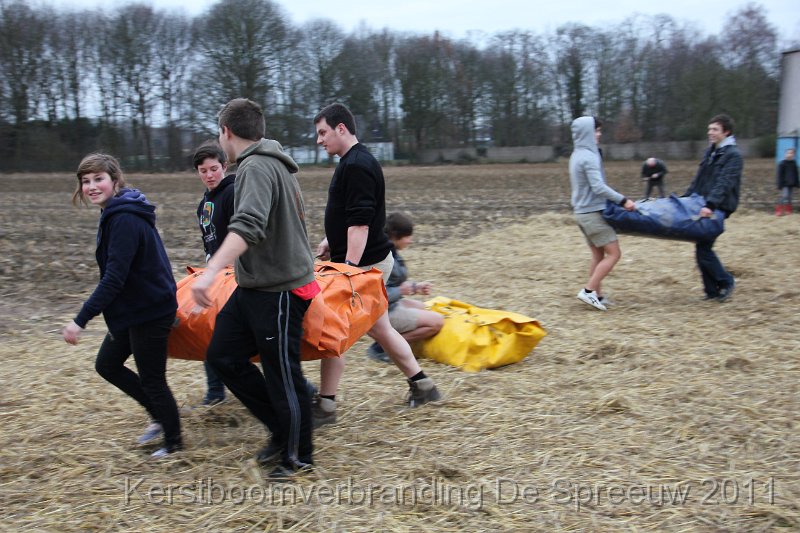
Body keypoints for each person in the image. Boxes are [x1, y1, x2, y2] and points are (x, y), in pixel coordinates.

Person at [191, 98, 320, 479]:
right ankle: (282, 429)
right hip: (254, 286)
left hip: (279, 289)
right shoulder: (264, 164)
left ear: (227, 132)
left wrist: (212, 269)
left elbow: (249, 225)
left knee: (283, 375)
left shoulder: (258, 168)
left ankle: (298, 457)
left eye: (219, 133)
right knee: (223, 356)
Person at [313, 102, 441, 426]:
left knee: (334, 330)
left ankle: (326, 406)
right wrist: (332, 242)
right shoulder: (352, 161)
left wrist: (349, 272)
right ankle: (422, 385)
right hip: (363, 262)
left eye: (322, 132)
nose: (319, 140)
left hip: (363, 266)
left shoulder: (356, 164)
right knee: (379, 329)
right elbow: (355, 217)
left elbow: (360, 224)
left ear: (342, 128)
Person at [62, 153, 182, 459]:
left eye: (98, 179)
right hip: (133, 308)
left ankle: (174, 442)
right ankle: (158, 416)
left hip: (150, 310)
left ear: (115, 181)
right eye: (85, 181)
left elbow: (114, 277)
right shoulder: (116, 211)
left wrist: (80, 320)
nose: (91, 186)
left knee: (153, 379)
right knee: (107, 364)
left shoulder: (124, 218)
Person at [569, 116, 636, 311]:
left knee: (598, 255)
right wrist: (623, 201)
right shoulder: (589, 157)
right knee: (614, 254)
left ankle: (597, 295)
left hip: (581, 213)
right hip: (592, 213)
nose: (599, 135)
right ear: (587, 133)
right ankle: (589, 291)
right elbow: (598, 187)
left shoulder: (577, 154)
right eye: (596, 131)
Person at [366, 212, 444, 363]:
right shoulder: (382, 258)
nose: (410, 241)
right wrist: (401, 291)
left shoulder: (390, 251)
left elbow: (392, 284)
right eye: (408, 236)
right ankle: (383, 348)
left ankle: (387, 341)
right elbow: (374, 296)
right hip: (378, 314)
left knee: (424, 307)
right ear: (395, 236)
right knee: (437, 322)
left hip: (389, 306)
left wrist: (416, 287)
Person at [192, 141, 235, 406]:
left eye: (214, 168)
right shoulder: (204, 203)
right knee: (208, 332)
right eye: (203, 170)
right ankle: (215, 393)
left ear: (224, 166)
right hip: (215, 276)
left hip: (234, 276)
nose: (209, 175)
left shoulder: (232, 194)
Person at [685, 114, 742, 302]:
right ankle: (711, 290)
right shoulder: (711, 151)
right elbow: (700, 178)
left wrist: (711, 204)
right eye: (709, 129)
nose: (710, 133)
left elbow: (724, 183)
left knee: (704, 247)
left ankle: (726, 282)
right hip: (703, 203)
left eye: (715, 129)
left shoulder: (733, 155)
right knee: (702, 246)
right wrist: (686, 198)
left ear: (726, 132)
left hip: (719, 206)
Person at [775, 148, 798, 216]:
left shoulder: (793, 163)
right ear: (785, 154)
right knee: (785, 196)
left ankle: (789, 211)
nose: (789, 154)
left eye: (791, 153)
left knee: (790, 197)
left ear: (793, 155)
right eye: (788, 153)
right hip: (784, 184)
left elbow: (795, 174)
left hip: (791, 183)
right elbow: (779, 175)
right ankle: (778, 210)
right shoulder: (782, 163)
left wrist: (797, 183)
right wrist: (779, 185)